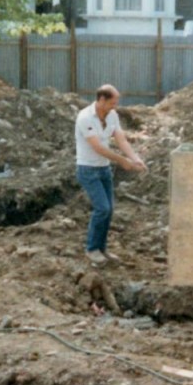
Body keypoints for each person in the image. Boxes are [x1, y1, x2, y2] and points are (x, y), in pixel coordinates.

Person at [75, 84, 147, 266]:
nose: (115, 107)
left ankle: (102, 248)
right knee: (102, 209)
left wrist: (134, 158)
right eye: (112, 103)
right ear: (101, 100)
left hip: (104, 169)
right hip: (88, 169)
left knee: (109, 210)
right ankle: (92, 249)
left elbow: (120, 138)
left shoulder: (112, 115)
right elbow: (97, 147)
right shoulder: (85, 118)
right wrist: (122, 161)